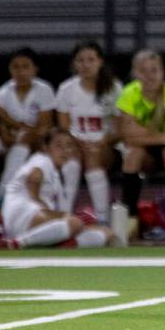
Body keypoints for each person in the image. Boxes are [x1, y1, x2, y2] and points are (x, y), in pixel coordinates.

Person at [116, 49, 165, 240]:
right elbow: (127, 138)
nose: (150, 76)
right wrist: (162, 136)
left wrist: (144, 133)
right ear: (135, 73)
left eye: (154, 70)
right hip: (146, 155)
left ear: (163, 72)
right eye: (143, 71)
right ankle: (131, 219)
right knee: (132, 154)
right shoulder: (129, 94)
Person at [0, 128, 113, 249]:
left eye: (68, 146)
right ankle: (19, 243)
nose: (64, 150)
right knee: (75, 223)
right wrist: (65, 216)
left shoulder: (56, 172)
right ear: (46, 147)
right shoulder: (42, 160)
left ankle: (65, 244)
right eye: (59, 145)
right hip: (22, 216)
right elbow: (34, 184)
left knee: (106, 232)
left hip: (34, 219)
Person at [56, 40, 123, 224]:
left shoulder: (114, 87)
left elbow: (120, 131)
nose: (85, 65)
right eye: (80, 60)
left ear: (100, 61)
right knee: (70, 161)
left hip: (106, 148)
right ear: (74, 64)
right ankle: (64, 217)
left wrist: (102, 142)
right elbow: (63, 129)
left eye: (91, 60)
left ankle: (102, 220)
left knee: (93, 155)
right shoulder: (66, 89)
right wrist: (76, 142)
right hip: (75, 145)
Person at [0, 47, 56, 208]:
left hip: (39, 141)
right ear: (10, 69)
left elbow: (45, 126)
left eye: (26, 66)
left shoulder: (44, 90)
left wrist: (23, 131)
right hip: (11, 142)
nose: (20, 72)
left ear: (35, 69)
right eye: (15, 67)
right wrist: (14, 133)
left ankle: (2, 192)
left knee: (24, 140)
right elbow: (2, 128)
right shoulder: (2, 93)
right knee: (12, 146)